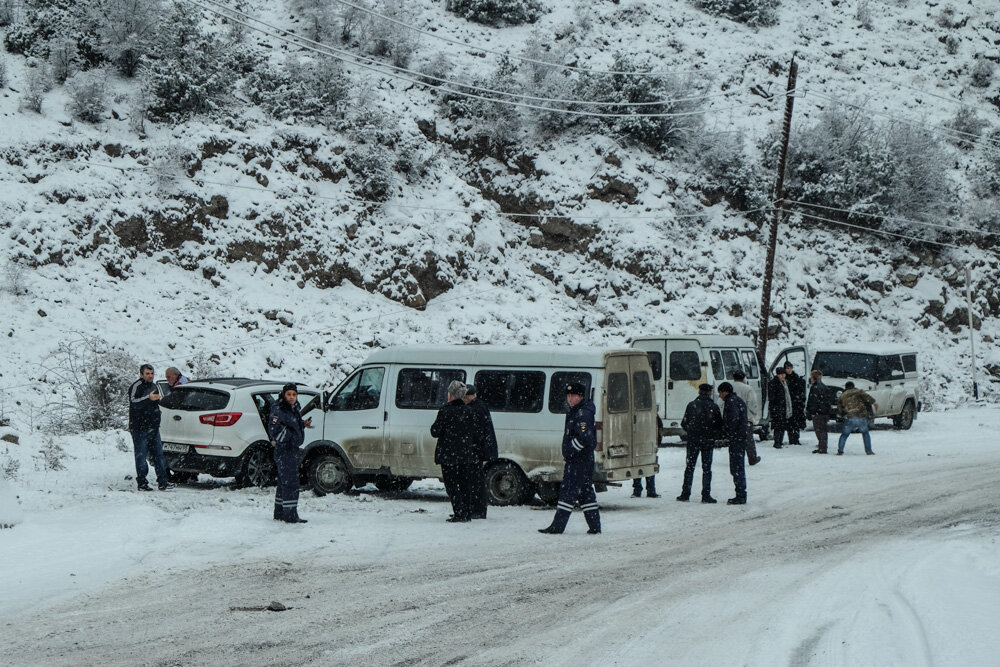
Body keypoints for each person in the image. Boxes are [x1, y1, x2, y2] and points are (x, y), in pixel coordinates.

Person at [539, 383, 601, 535]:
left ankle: (557, 526)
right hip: (583, 461)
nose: (570, 399)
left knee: (568, 492)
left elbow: (585, 438)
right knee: (586, 493)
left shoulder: (582, 414)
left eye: (573, 396)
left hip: (578, 461)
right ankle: (595, 526)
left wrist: (571, 451)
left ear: (580, 397)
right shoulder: (578, 411)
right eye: (568, 396)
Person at [431, 380, 478, 523]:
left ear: (451, 395)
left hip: (448, 454)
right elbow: (474, 432)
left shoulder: (445, 411)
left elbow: (435, 431)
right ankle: (467, 512)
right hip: (465, 453)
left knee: (451, 484)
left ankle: (459, 512)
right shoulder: (469, 411)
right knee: (465, 483)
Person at [268, 383, 311, 523]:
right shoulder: (279, 409)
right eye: (289, 394)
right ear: (284, 394)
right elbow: (274, 430)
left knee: (283, 482)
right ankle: (290, 515)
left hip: (291, 450)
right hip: (284, 451)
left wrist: (302, 424)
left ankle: (280, 512)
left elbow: (291, 423)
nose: (292, 397)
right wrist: (291, 439)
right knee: (291, 482)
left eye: (294, 394)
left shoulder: (293, 407)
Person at [128, 364, 172, 491]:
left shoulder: (154, 386)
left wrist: (162, 399)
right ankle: (142, 483)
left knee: (159, 455)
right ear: (141, 374)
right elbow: (134, 403)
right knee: (141, 456)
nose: (150, 376)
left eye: (152, 373)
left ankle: (163, 482)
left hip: (153, 427)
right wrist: (148, 398)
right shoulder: (136, 386)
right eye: (147, 373)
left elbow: (156, 402)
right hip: (139, 428)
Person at [678, 383, 722, 503]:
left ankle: (685, 493)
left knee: (690, 467)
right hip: (708, 441)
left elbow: (684, 423)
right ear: (710, 393)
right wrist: (712, 434)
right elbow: (719, 425)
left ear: (699, 392)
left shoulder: (691, 405)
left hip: (693, 440)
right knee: (707, 468)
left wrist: (692, 431)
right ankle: (706, 494)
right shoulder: (714, 407)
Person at [462, 384, 497, 519]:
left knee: (475, 481)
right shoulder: (480, 406)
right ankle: (477, 509)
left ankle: (477, 509)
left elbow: (476, 432)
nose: (464, 399)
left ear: (471, 396)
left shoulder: (475, 409)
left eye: (465, 397)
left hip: (476, 450)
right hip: (480, 449)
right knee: (476, 480)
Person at [718, 382, 749, 505]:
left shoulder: (731, 402)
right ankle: (741, 493)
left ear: (725, 392)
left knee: (736, 467)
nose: (719, 396)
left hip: (736, 439)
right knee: (738, 466)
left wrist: (726, 434)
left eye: (720, 393)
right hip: (740, 437)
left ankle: (740, 495)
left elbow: (732, 421)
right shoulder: (738, 400)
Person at [836, 381, 878, 456]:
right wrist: (874, 402)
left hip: (849, 417)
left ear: (846, 387)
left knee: (844, 435)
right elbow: (867, 397)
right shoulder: (858, 391)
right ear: (853, 386)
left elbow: (839, 408)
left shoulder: (842, 395)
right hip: (860, 416)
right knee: (865, 433)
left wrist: (842, 414)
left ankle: (840, 450)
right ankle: (869, 451)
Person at [731, 370, 762, 465]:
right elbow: (752, 404)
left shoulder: (730, 387)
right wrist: (754, 415)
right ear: (743, 378)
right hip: (746, 418)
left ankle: (734, 457)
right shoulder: (748, 389)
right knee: (748, 440)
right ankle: (752, 458)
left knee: (734, 439)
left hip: (733, 418)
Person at [806, 369, 835, 453]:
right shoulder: (824, 387)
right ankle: (823, 446)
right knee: (823, 430)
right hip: (824, 412)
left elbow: (813, 401)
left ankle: (822, 447)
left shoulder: (815, 388)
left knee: (819, 430)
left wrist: (811, 411)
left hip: (818, 412)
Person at [767, 367, 794, 449]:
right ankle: (777, 441)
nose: (783, 376)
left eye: (784, 374)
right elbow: (772, 397)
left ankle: (780, 440)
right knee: (777, 425)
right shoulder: (773, 383)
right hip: (777, 407)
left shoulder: (785, 383)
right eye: (781, 374)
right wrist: (776, 406)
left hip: (784, 407)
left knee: (782, 425)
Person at [784, 362, 807, 445]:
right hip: (788, 403)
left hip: (796, 404)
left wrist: (800, 400)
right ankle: (791, 438)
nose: (789, 370)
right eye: (787, 368)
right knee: (789, 422)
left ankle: (796, 438)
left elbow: (801, 391)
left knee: (796, 423)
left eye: (790, 368)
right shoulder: (784, 379)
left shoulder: (796, 378)